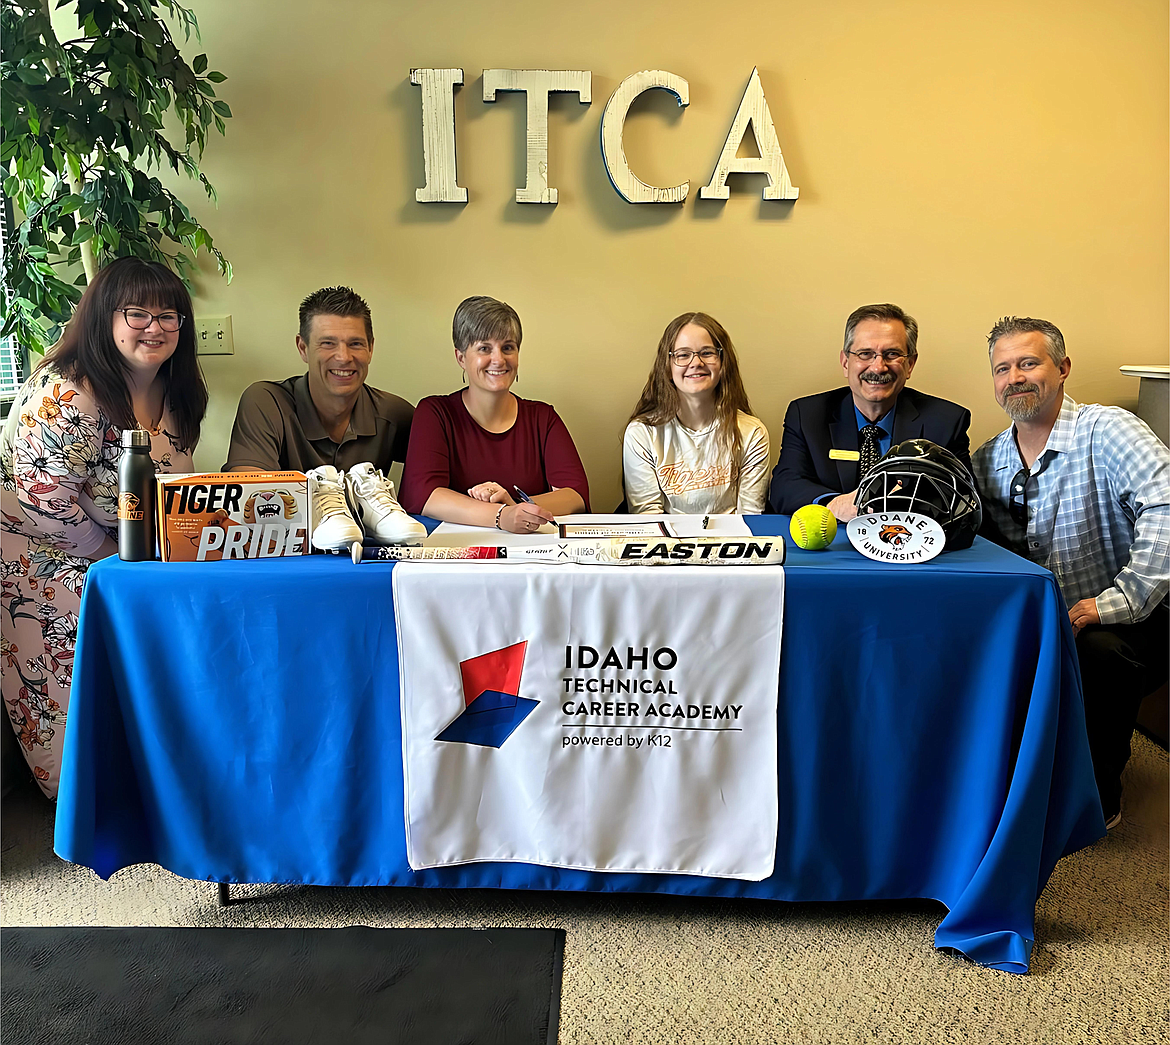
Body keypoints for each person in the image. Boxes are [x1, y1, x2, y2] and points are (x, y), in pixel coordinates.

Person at [1, 257, 208, 798]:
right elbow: (43, 500)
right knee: (102, 618)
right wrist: (116, 558)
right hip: (41, 550)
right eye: (137, 313)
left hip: (129, 546)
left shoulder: (178, 394)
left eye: (169, 315)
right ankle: (82, 792)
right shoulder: (68, 395)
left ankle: (166, 769)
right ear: (104, 320)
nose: (155, 327)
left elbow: (177, 487)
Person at [971, 316, 1168, 829]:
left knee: (1097, 653)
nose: (1014, 376)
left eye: (1028, 363)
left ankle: (1098, 798)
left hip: (1136, 620)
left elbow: (1167, 505)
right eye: (1002, 368)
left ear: (1062, 369)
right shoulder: (987, 460)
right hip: (1047, 620)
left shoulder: (1109, 430)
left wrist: (1115, 602)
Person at [399, 296, 589, 532]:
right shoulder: (435, 413)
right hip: (456, 558)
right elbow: (424, 495)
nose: (498, 359)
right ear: (461, 358)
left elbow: (576, 496)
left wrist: (515, 505)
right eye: (484, 348)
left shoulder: (543, 418)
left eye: (507, 347)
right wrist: (501, 515)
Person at [768, 303, 971, 519]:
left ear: (910, 364)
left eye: (891, 354)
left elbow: (963, 500)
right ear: (845, 362)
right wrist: (834, 505)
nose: (877, 367)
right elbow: (785, 485)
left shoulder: (947, 422)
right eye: (865, 354)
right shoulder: (807, 415)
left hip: (906, 543)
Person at [224, 286, 412, 474]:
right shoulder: (267, 403)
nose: (344, 357)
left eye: (355, 344)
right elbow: (249, 493)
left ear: (370, 349)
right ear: (303, 348)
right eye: (328, 343)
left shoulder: (393, 414)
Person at [623, 313, 769, 514]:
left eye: (707, 353)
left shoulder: (752, 433)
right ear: (667, 366)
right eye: (683, 355)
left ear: (723, 362)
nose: (696, 362)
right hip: (667, 544)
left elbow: (751, 518)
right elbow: (648, 519)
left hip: (732, 542)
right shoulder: (642, 433)